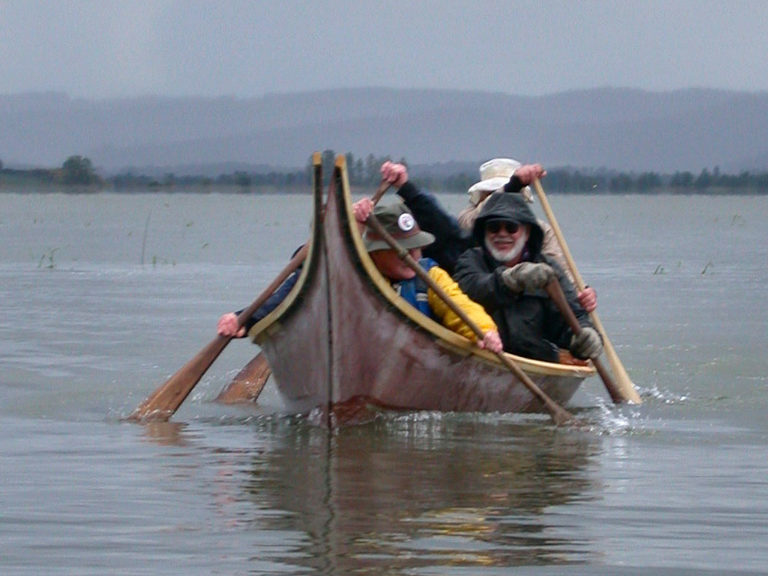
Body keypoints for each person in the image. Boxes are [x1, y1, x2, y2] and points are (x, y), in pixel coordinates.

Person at [376, 159, 597, 313]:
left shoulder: (540, 231)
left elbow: (558, 272)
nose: (502, 231)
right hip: (474, 313)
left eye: (510, 227)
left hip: (526, 321)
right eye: (491, 195)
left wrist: (580, 296)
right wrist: (404, 186)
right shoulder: (469, 221)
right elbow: (442, 222)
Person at [453, 190, 603, 364]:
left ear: (527, 232)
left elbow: (574, 317)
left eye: (511, 227)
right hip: (482, 354)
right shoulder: (470, 260)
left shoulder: (549, 269)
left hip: (536, 360)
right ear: (484, 232)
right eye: (494, 227)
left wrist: (587, 337)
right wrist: (511, 279)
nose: (502, 234)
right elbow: (471, 289)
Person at [350, 201, 502, 354]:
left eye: (416, 247)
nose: (412, 256)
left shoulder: (431, 276)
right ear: (375, 252)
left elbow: (460, 305)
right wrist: (355, 222)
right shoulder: (359, 275)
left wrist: (485, 331)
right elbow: (342, 255)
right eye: (403, 249)